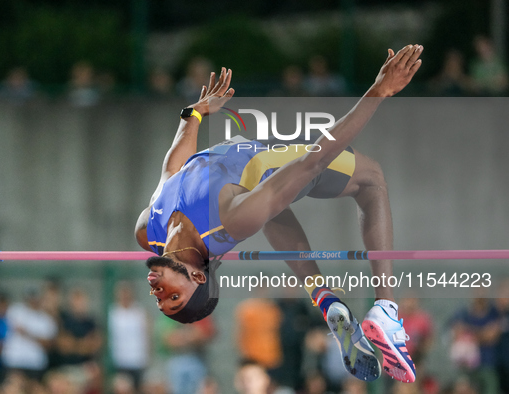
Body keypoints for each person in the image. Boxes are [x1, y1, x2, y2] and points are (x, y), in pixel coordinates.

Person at [134, 45, 424, 383]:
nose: (157, 292)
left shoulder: (148, 230)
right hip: (273, 162)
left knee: (269, 210)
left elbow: (172, 170)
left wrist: (193, 115)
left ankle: (325, 299)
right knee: (372, 180)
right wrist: (379, 92)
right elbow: (314, 160)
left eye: (161, 300)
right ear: (197, 277)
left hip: (250, 182)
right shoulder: (228, 219)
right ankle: (386, 308)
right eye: (173, 296)